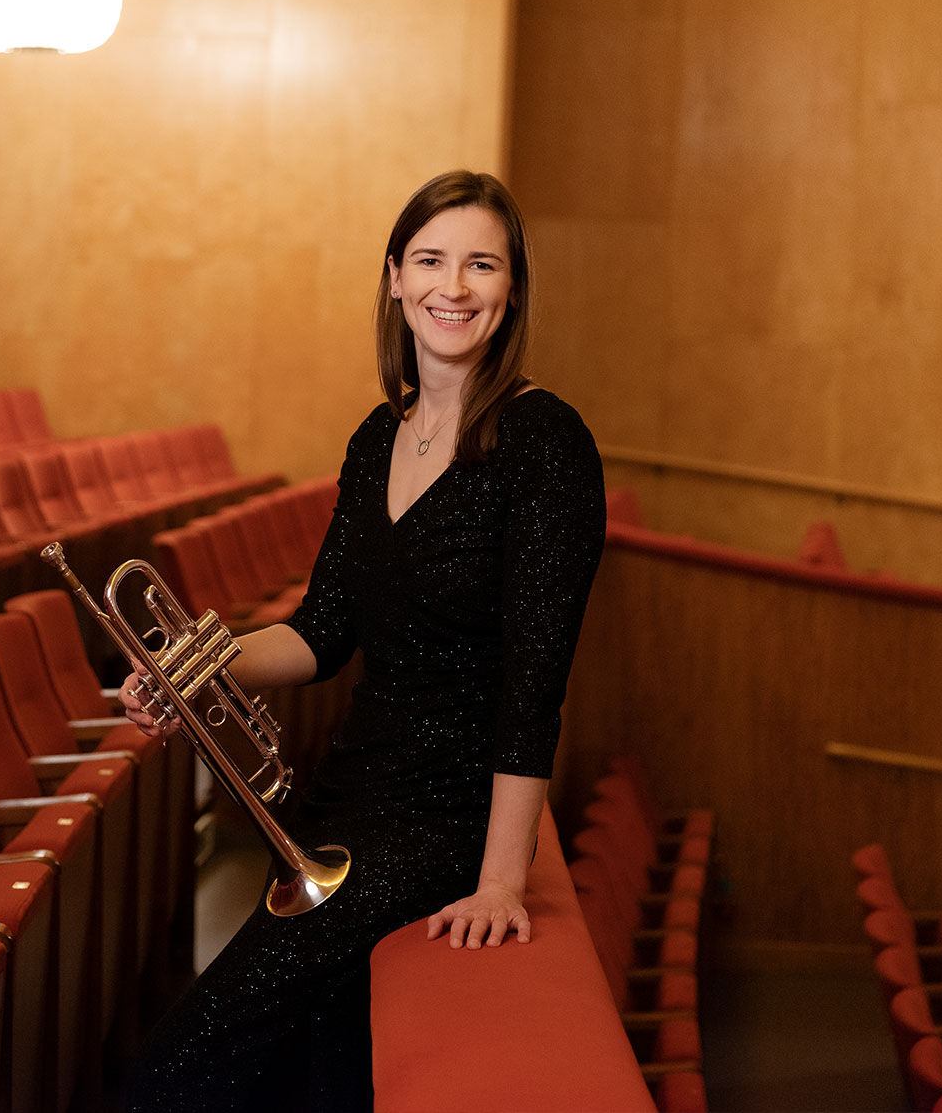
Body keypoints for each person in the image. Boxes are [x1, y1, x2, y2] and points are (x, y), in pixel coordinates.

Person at [122, 169, 607, 1111]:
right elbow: (322, 632)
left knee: (180, 1068)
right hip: (343, 799)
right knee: (320, 1070)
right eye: (430, 260)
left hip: (445, 821)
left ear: (512, 290)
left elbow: (534, 682)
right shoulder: (377, 437)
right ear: (394, 277)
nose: (453, 287)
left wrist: (501, 881)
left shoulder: (545, 442)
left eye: (481, 265)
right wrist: (195, 668)